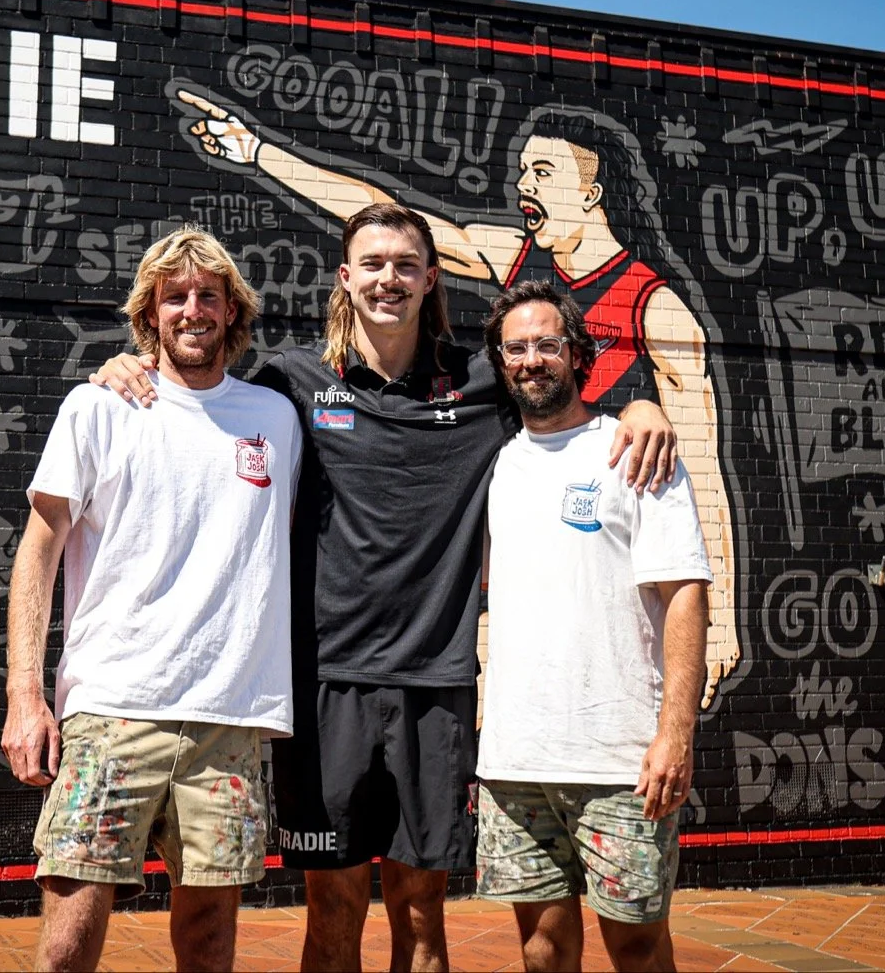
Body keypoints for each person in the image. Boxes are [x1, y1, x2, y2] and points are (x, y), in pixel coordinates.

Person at [92, 203, 675, 972]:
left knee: (421, 916)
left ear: (430, 277)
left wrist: (642, 407)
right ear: (346, 277)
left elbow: (563, 402)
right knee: (332, 913)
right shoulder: (291, 385)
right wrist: (123, 365)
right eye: (372, 263)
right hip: (324, 687)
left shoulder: (481, 381)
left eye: (405, 264)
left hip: (435, 690)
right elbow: (202, 405)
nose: (388, 279)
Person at [176, 89, 738, 708]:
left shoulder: (655, 308)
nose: (524, 182)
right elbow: (379, 213)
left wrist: (725, 617)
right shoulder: (509, 256)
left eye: (543, 172)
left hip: (604, 556)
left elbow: (704, 468)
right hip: (502, 583)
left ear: (591, 192)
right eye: (524, 168)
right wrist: (260, 152)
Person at [2, 227, 302, 972]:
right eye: (175, 297)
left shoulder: (277, 419)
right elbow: (37, 552)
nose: (192, 310)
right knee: (68, 939)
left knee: (208, 944)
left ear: (234, 310)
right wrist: (24, 695)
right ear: (150, 313)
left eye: (209, 296)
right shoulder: (98, 407)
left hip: (229, 722)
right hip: (112, 712)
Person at [476, 280, 710, 973]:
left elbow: (685, 595)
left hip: (619, 760)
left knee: (638, 945)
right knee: (542, 948)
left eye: (547, 344)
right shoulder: (488, 462)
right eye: (515, 348)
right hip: (516, 760)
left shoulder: (635, 450)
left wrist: (675, 733)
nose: (531, 360)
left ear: (580, 355)